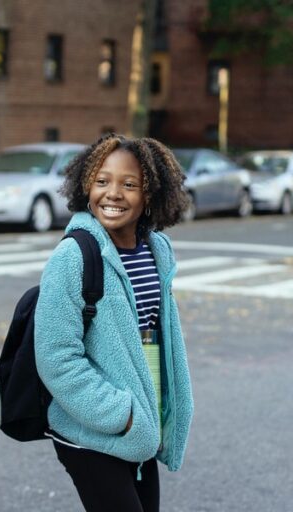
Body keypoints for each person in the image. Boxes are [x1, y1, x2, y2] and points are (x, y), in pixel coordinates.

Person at [34, 133, 195, 512]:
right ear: (85, 184)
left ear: (151, 194)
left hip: (140, 425)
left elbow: (156, 336)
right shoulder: (73, 256)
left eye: (130, 184)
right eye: (102, 181)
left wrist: (152, 413)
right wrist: (122, 417)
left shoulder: (157, 249)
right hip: (93, 432)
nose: (113, 194)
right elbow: (56, 358)